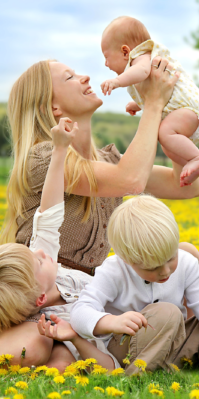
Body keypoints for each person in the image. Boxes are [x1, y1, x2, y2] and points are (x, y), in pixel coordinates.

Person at [0, 56, 199, 367]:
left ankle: (96, 346)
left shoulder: (109, 161)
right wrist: (152, 103)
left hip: (90, 294)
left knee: (184, 255)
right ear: (53, 108)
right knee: (35, 347)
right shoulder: (44, 158)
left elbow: (187, 187)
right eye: (70, 77)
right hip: (38, 295)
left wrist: (169, 126)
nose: (84, 77)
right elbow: (131, 180)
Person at [70, 195, 199, 375]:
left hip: (174, 346)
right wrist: (110, 322)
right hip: (127, 351)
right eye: (153, 267)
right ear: (127, 259)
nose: (165, 271)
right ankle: (135, 374)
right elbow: (79, 312)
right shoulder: (114, 270)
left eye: (171, 258)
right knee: (169, 312)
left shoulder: (185, 263)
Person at [0, 115, 118, 371]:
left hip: (123, 290)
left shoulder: (46, 268)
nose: (41, 251)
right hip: (126, 315)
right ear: (41, 298)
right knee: (62, 362)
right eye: (39, 260)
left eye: (33, 252)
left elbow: (49, 211)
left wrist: (60, 150)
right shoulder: (63, 320)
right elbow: (105, 363)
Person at [100, 16, 199, 187]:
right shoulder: (141, 63)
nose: (105, 64)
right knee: (168, 145)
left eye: (107, 57)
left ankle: (196, 158)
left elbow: (141, 71)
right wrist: (139, 104)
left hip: (193, 109)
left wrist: (116, 82)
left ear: (125, 52)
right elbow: (156, 95)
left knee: (165, 132)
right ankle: (191, 167)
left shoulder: (140, 57)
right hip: (185, 111)